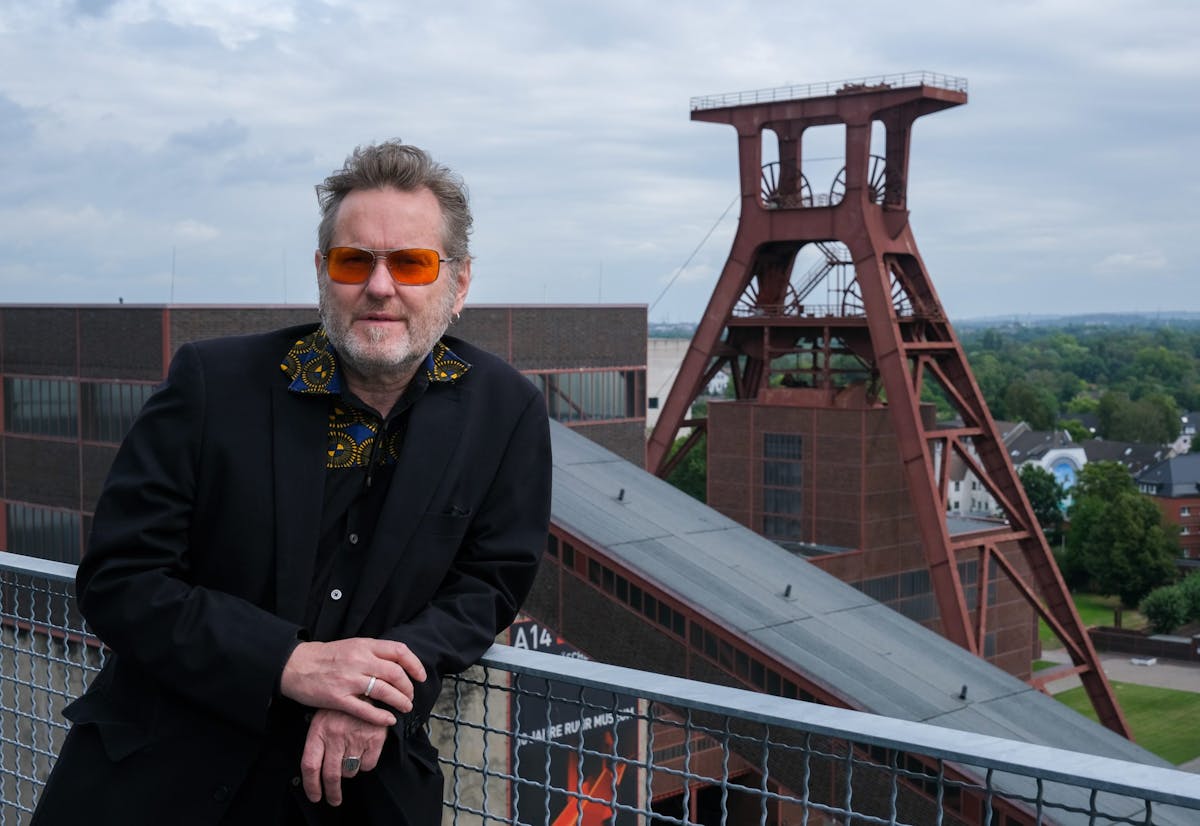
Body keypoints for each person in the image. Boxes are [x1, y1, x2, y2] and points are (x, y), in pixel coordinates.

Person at [32, 141, 553, 825]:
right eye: (353, 261)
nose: (380, 286)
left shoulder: (506, 411)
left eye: (411, 263)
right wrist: (287, 663)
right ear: (321, 273)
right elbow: (119, 579)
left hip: (355, 790)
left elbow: (487, 585)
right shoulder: (212, 386)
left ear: (458, 284)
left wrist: (375, 692)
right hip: (160, 779)